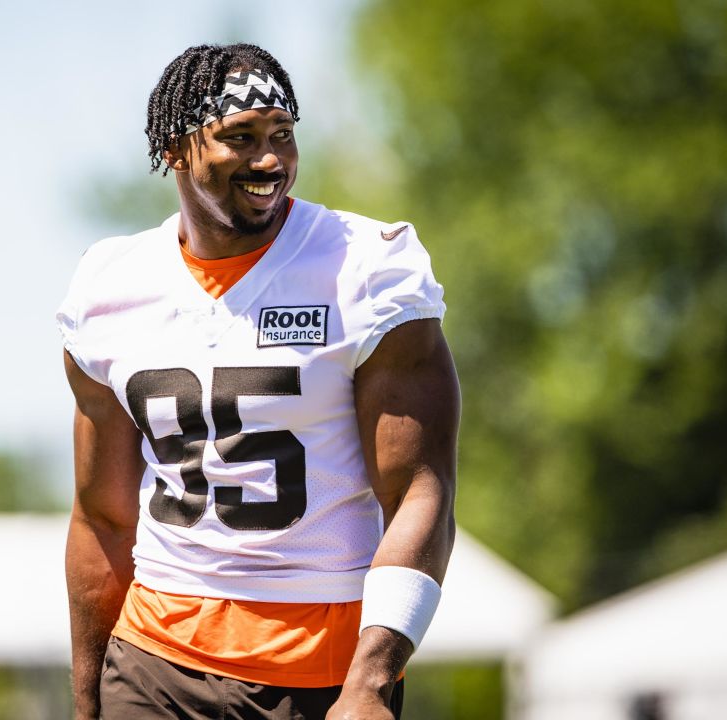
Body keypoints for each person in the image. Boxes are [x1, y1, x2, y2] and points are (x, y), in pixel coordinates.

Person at [57, 43, 460, 720]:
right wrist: (87, 699)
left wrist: (370, 682)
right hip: (154, 661)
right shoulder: (109, 288)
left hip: (321, 665)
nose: (269, 160)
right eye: (239, 138)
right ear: (175, 150)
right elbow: (103, 516)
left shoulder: (365, 268)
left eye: (282, 135)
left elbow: (421, 491)